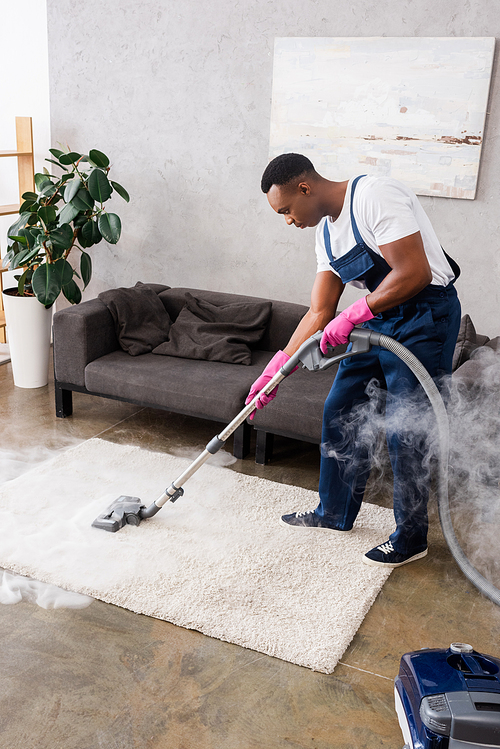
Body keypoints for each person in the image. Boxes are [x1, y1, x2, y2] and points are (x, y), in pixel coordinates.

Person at [245, 153, 461, 567]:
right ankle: (333, 513)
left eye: (287, 209)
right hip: (377, 319)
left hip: (425, 318)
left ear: (305, 188)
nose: (288, 220)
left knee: (406, 429)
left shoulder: (375, 196)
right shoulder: (325, 234)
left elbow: (413, 273)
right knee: (340, 407)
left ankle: (411, 539)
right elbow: (320, 312)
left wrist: (356, 312)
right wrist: (277, 370)